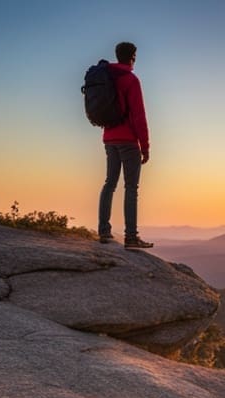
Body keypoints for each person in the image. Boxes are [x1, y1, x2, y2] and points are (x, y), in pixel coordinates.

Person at [97, 41, 153, 249]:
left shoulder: (107, 76)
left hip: (109, 138)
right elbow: (139, 116)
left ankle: (104, 231)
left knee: (109, 183)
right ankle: (131, 237)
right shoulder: (131, 80)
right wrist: (145, 146)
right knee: (131, 187)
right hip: (128, 140)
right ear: (133, 56)